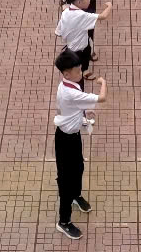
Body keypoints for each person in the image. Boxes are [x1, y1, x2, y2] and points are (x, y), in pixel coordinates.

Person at [53, 48, 105, 240]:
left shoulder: (70, 85)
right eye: (77, 70)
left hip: (73, 136)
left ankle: (76, 195)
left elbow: (72, 108)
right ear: (66, 74)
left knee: (79, 167)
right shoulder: (69, 92)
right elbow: (102, 98)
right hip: (64, 140)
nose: (81, 73)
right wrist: (103, 83)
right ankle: (64, 222)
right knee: (65, 181)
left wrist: (83, 115)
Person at [56, 0, 111, 81]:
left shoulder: (66, 12)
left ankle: (85, 71)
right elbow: (103, 16)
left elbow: (59, 31)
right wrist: (109, 6)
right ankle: (81, 74)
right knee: (79, 64)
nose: (89, 0)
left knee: (87, 52)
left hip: (76, 45)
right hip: (78, 49)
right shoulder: (81, 15)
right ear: (79, 2)